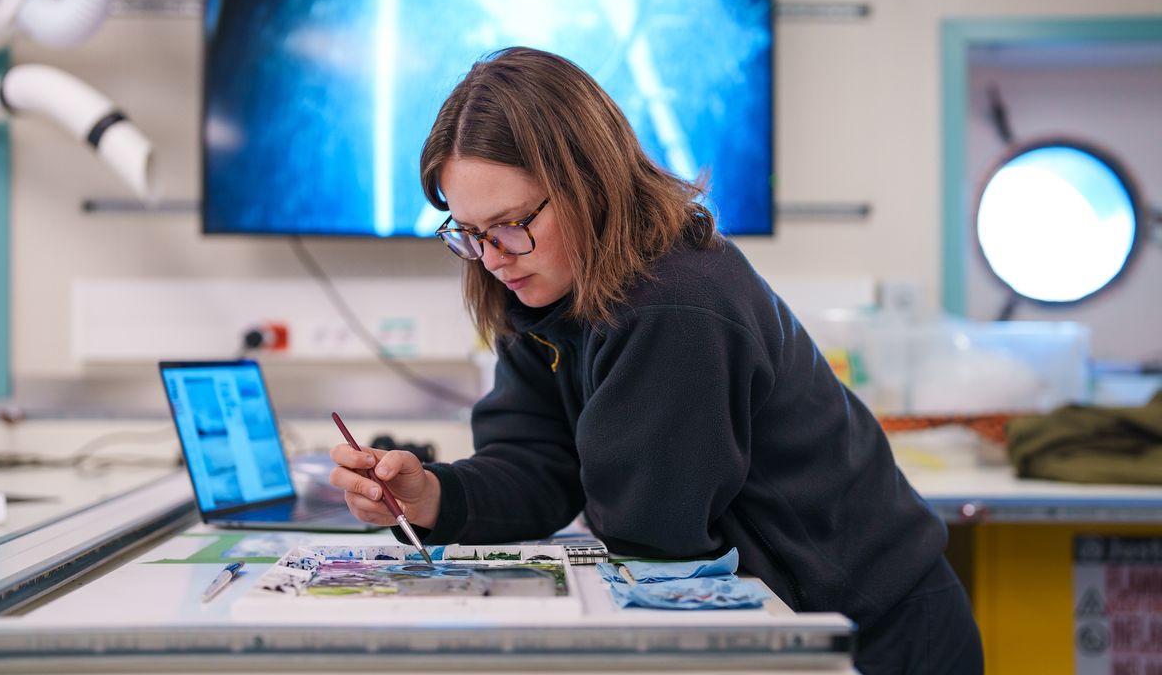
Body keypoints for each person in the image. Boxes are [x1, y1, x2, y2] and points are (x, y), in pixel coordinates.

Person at [330, 47, 984, 673]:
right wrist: (428, 495)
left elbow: (654, 543)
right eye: (468, 234)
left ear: (588, 181)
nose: (495, 256)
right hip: (791, 619)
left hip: (874, 635)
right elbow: (538, 465)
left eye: (510, 224)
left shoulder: (674, 303)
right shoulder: (542, 286)